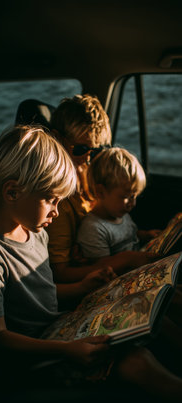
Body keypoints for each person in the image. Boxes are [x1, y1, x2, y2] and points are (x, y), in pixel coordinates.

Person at [0, 124, 182, 403]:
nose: (56, 210)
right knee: (136, 361)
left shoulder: (36, 232)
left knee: (152, 308)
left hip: (62, 325)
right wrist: (66, 350)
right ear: (13, 192)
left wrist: (82, 286)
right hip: (36, 356)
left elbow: (42, 294)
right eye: (51, 200)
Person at [47, 94, 156, 283]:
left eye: (96, 150)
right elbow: (60, 274)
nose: (89, 158)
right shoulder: (59, 201)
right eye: (81, 149)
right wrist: (125, 259)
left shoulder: (91, 174)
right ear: (57, 138)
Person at [77, 146, 162, 275]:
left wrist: (144, 235)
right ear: (101, 192)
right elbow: (101, 268)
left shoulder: (121, 214)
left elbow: (128, 237)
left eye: (134, 196)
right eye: (125, 197)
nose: (132, 203)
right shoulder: (94, 228)